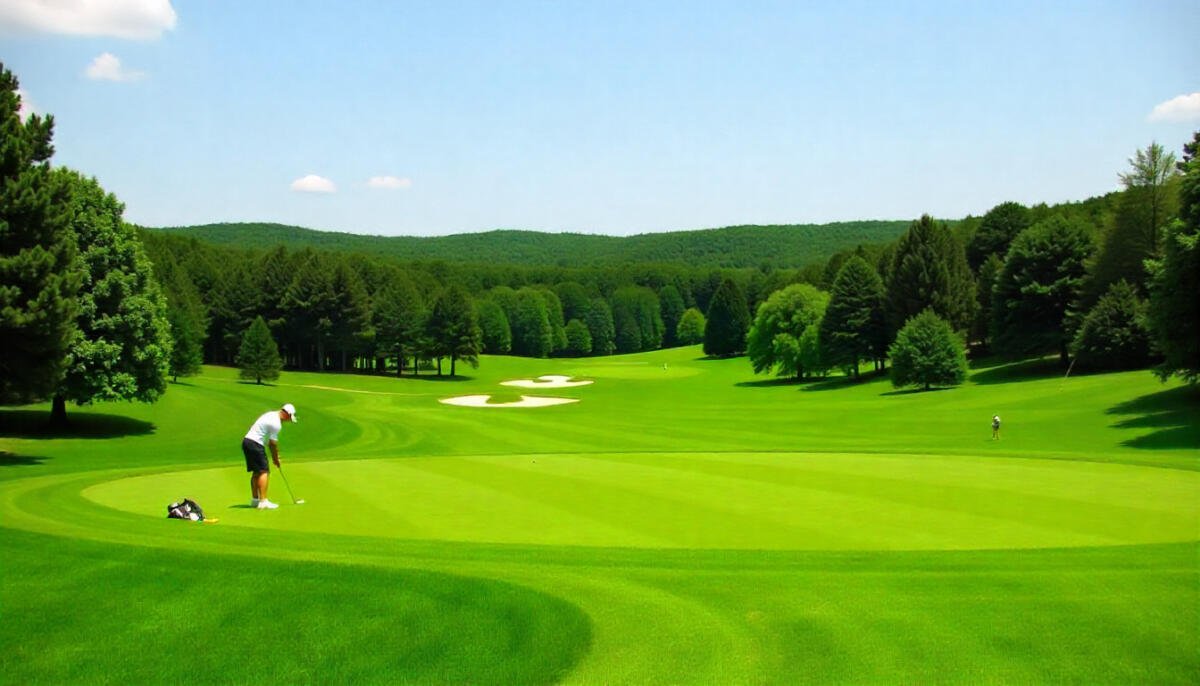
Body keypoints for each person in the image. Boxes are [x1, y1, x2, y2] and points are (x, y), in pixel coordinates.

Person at [242, 403, 297, 509]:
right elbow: (272, 444)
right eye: (289, 418)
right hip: (255, 443)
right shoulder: (276, 423)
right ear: (286, 414)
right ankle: (263, 501)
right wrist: (276, 459)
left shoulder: (270, 414)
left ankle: (255, 500)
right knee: (264, 471)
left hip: (247, 441)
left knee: (256, 471)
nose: (288, 420)